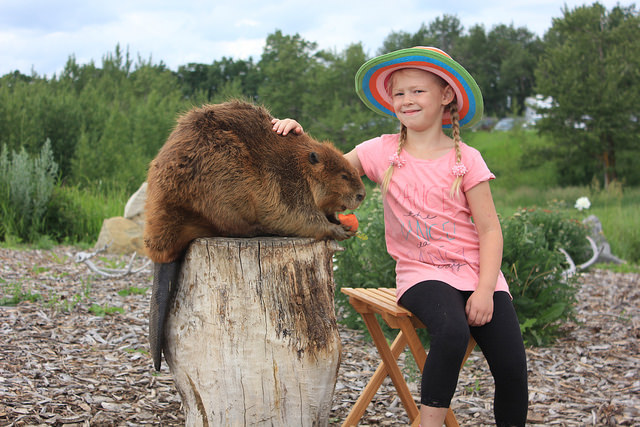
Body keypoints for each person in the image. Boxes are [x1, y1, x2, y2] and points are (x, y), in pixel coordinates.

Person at [272, 46, 528, 427]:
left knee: (512, 366)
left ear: (446, 96)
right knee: (452, 330)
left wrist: (486, 289)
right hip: (421, 275)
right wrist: (296, 136)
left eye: (418, 91)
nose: (407, 100)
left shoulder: (467, 159)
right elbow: (325, 173)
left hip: (477, 274)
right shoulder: (381, 151)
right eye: (399, 93)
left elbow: (490, 229)